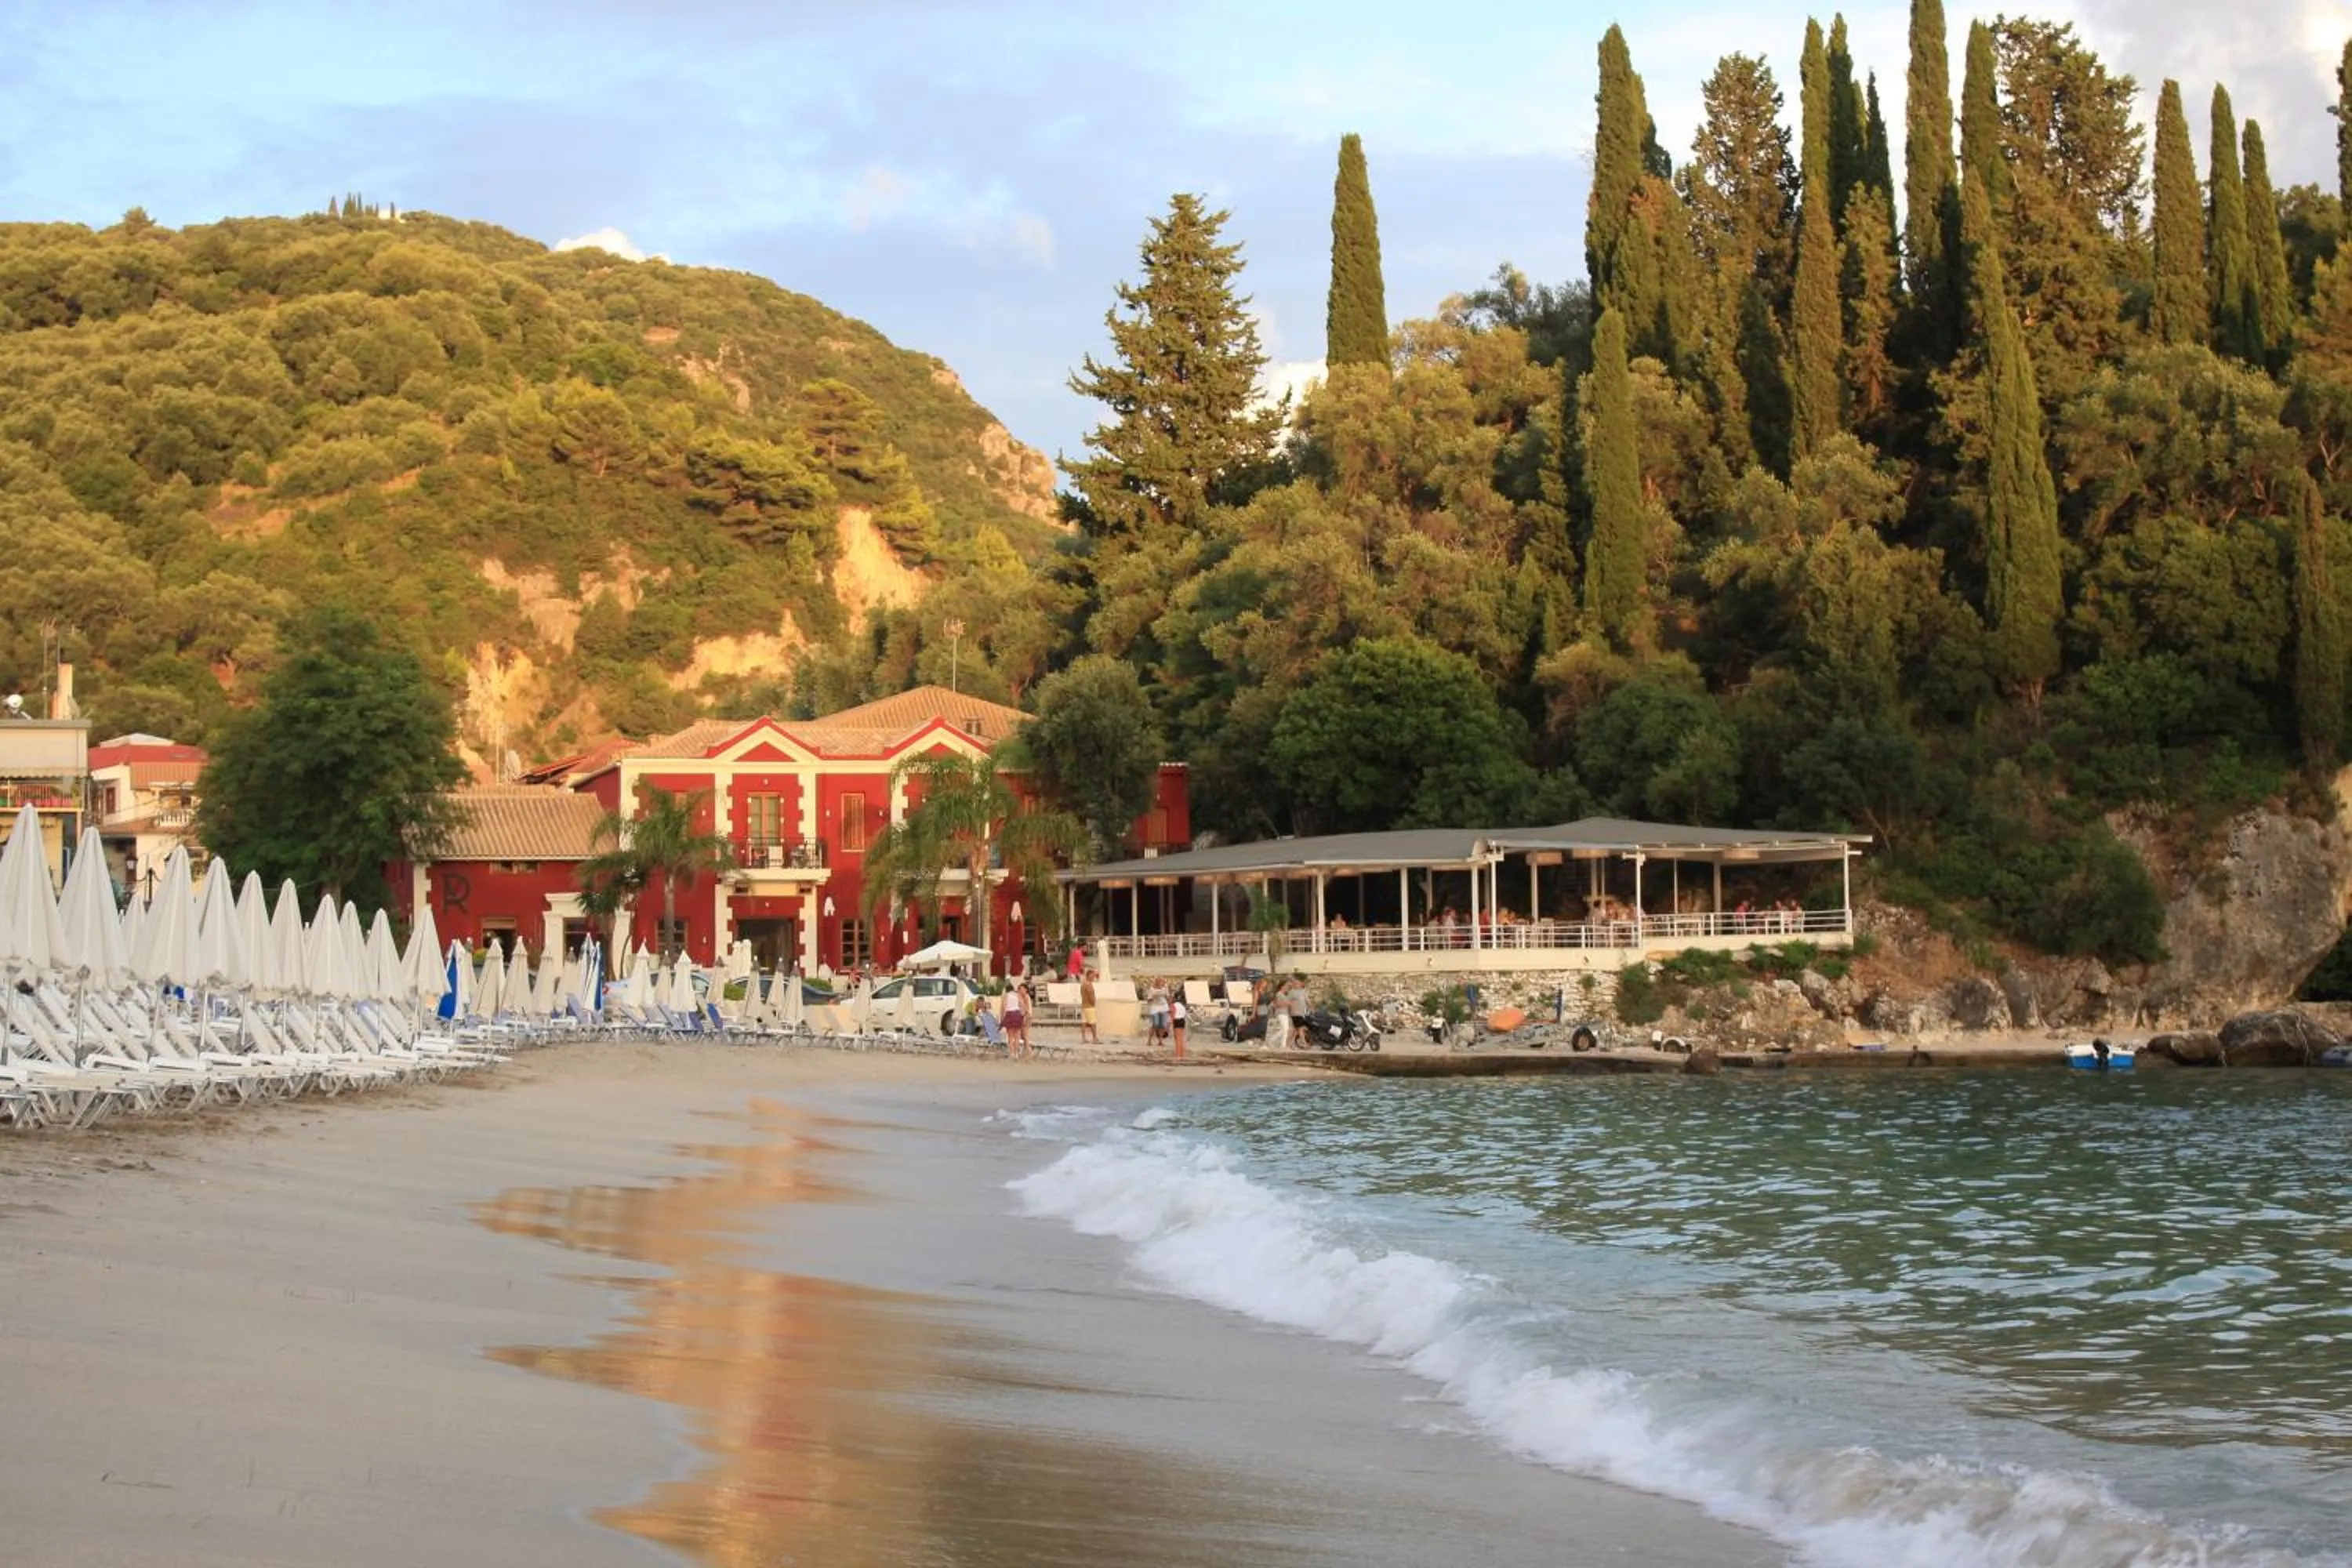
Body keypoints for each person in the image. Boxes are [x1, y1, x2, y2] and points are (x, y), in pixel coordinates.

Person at [1004, 979, 1032, 1058]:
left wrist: (1024, 1016)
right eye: (1019, 989)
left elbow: (1025, 1008)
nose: (1019, 990)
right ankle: (1024, 1051)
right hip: (1021, 1017)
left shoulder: (1025, 997)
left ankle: (1028, 1051)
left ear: (1025, 990)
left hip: (1026, 1017)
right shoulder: (1020, 996)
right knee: (1022, 1036)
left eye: (1021, 989)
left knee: (1024, 1036)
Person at [1146, 979, 1171, 1051]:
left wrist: (1168, 999)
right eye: (1160, 982)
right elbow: (1149, 1000)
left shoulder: (1165, 988)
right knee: (1155, 1024)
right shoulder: (1152, 989)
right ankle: (1149, 1040)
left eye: (1162, 982)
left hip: (1163, 1007)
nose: (1161, 984)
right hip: (1155, 1007)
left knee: (1162, 1025)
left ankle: (1160, 1041)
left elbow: (1167, 997)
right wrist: (1153, 997)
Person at [1079, 968, 1100, 1044]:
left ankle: (1083, 1038)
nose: (1094, 977)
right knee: (1093, 1022)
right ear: (1089, 976)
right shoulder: (1088, 985)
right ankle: (1094, 1038)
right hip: (1089, 1006)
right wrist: (1093, 1003)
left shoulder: (1083, 984)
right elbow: (1090, 995)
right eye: (1093, 976)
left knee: (1084, 1022)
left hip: (1084, 1005)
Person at [1170, 987, 1188, 1062]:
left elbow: (1173, 1015)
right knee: (1181, 1039)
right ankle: (1182, 1054)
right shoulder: (1182, 1006)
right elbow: (1184, 1014)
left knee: (1177, 1040)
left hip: (1177, 1021)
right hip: (1182, 1021)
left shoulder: (1173, 1005)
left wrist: (1170, 1024)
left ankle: (1178, 1056)